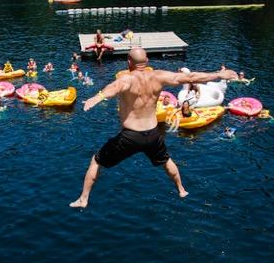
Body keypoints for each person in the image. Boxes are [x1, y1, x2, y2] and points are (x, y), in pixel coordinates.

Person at [70, 47, 238, 208]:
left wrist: (96, 97)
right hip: (153, 134)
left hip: (130, 136)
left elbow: (113, 88)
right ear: (147, 60)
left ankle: (83, 199)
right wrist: (219, 74)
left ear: (129, 62)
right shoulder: (159, 76)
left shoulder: (126, 79)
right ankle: (181, 189)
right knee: (166, 161)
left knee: (96, 161)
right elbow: (191, 77)